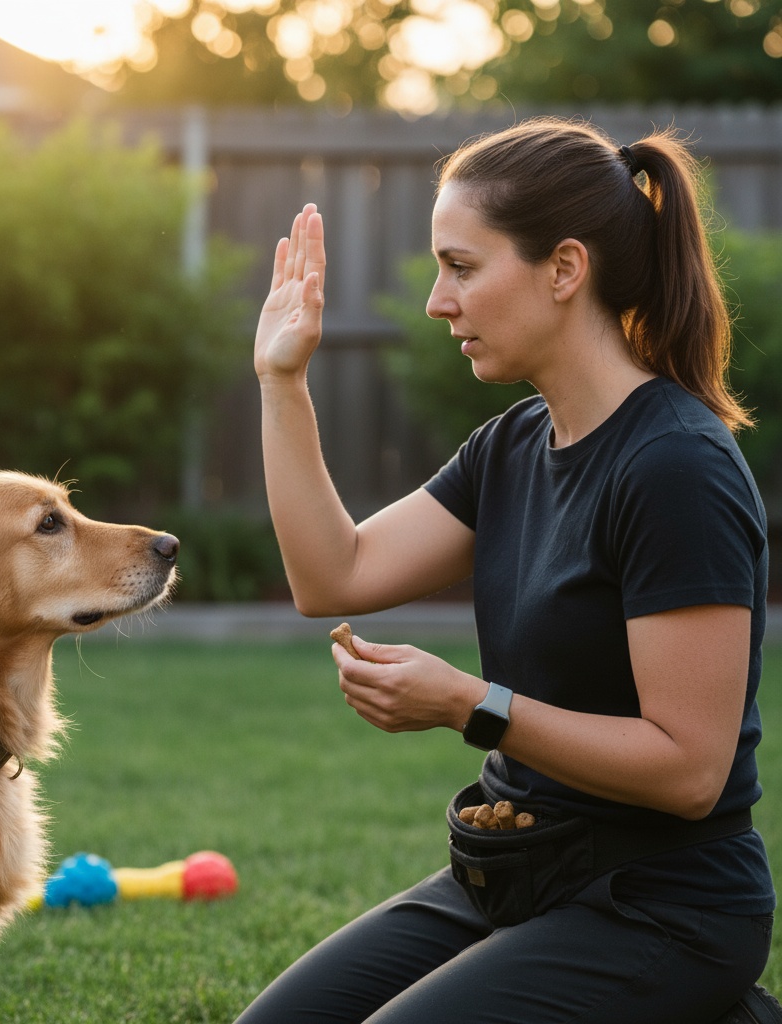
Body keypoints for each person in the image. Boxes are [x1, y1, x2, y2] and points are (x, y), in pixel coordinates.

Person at [237, 117, 776, 1023]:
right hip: (513, 872)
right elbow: (333, 575)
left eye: (462, 267)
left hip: (661, 905)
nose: (436, 302)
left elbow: (691, 770)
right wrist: (280, 383)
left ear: (565, 270)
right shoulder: (514, 445)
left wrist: (469, 704)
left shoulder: (676, 466)